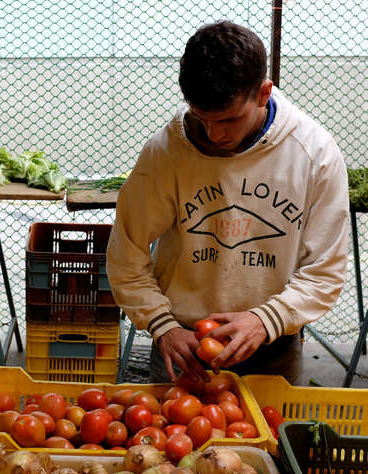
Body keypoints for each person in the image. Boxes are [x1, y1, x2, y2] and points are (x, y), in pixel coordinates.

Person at [106, 21, 349, 385]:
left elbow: (325, 269)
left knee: (272, 441)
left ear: (263, 93)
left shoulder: (314, 154)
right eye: (202, 119)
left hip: (273, 344)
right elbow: (126, 255)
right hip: (183, 346)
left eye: (229, 120)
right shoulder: (165, 153)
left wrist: (267, 318)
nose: (214, 134)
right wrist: (163, 326)